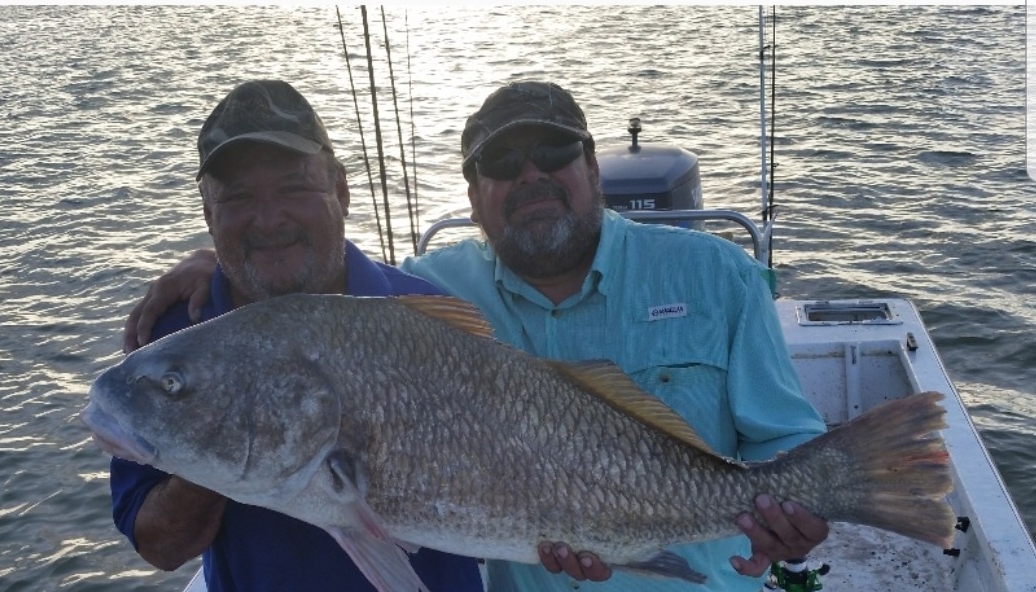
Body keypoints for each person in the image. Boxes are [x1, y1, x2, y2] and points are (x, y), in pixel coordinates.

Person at [124, 81, 830, 591]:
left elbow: (788, 443)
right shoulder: (424, 294)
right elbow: (301, 295)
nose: (531, 175)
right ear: (472, 195)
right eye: (501, 164)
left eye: (553, 151)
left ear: (593, 168)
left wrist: (788, 513)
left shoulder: (715, 274)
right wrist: (220, 287)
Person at [109, 80, 484, 592]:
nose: (268, 220)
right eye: (238, 197)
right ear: (208, 213)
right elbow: (159, 545)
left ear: (341, 191)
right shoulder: (173, 345)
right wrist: (223, 428)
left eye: (293, 188)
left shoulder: (422, 313)